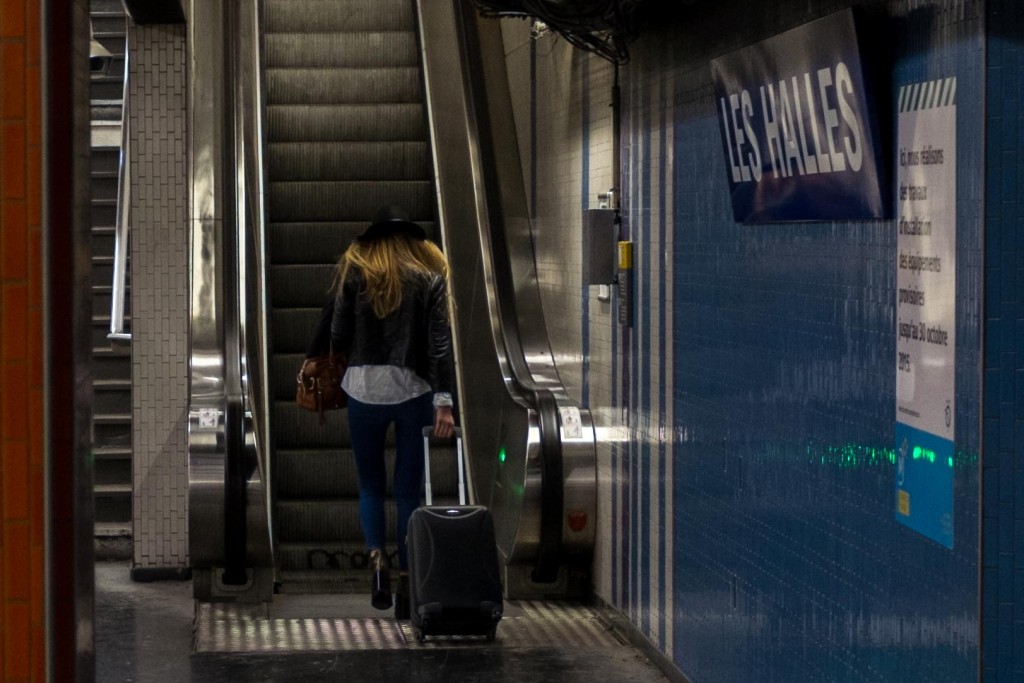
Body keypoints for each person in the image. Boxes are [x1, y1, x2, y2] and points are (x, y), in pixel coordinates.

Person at [330, 205, 456, 614]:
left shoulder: (355, 274)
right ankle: (407, 579)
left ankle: (377, 563)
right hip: (413, 391)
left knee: (369, 485)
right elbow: (440, 346)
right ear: (409, 240)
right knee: (407, 491)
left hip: (362, 390)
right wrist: (444, 402)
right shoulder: (430, 279)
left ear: (374, 240)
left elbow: (338, 333)